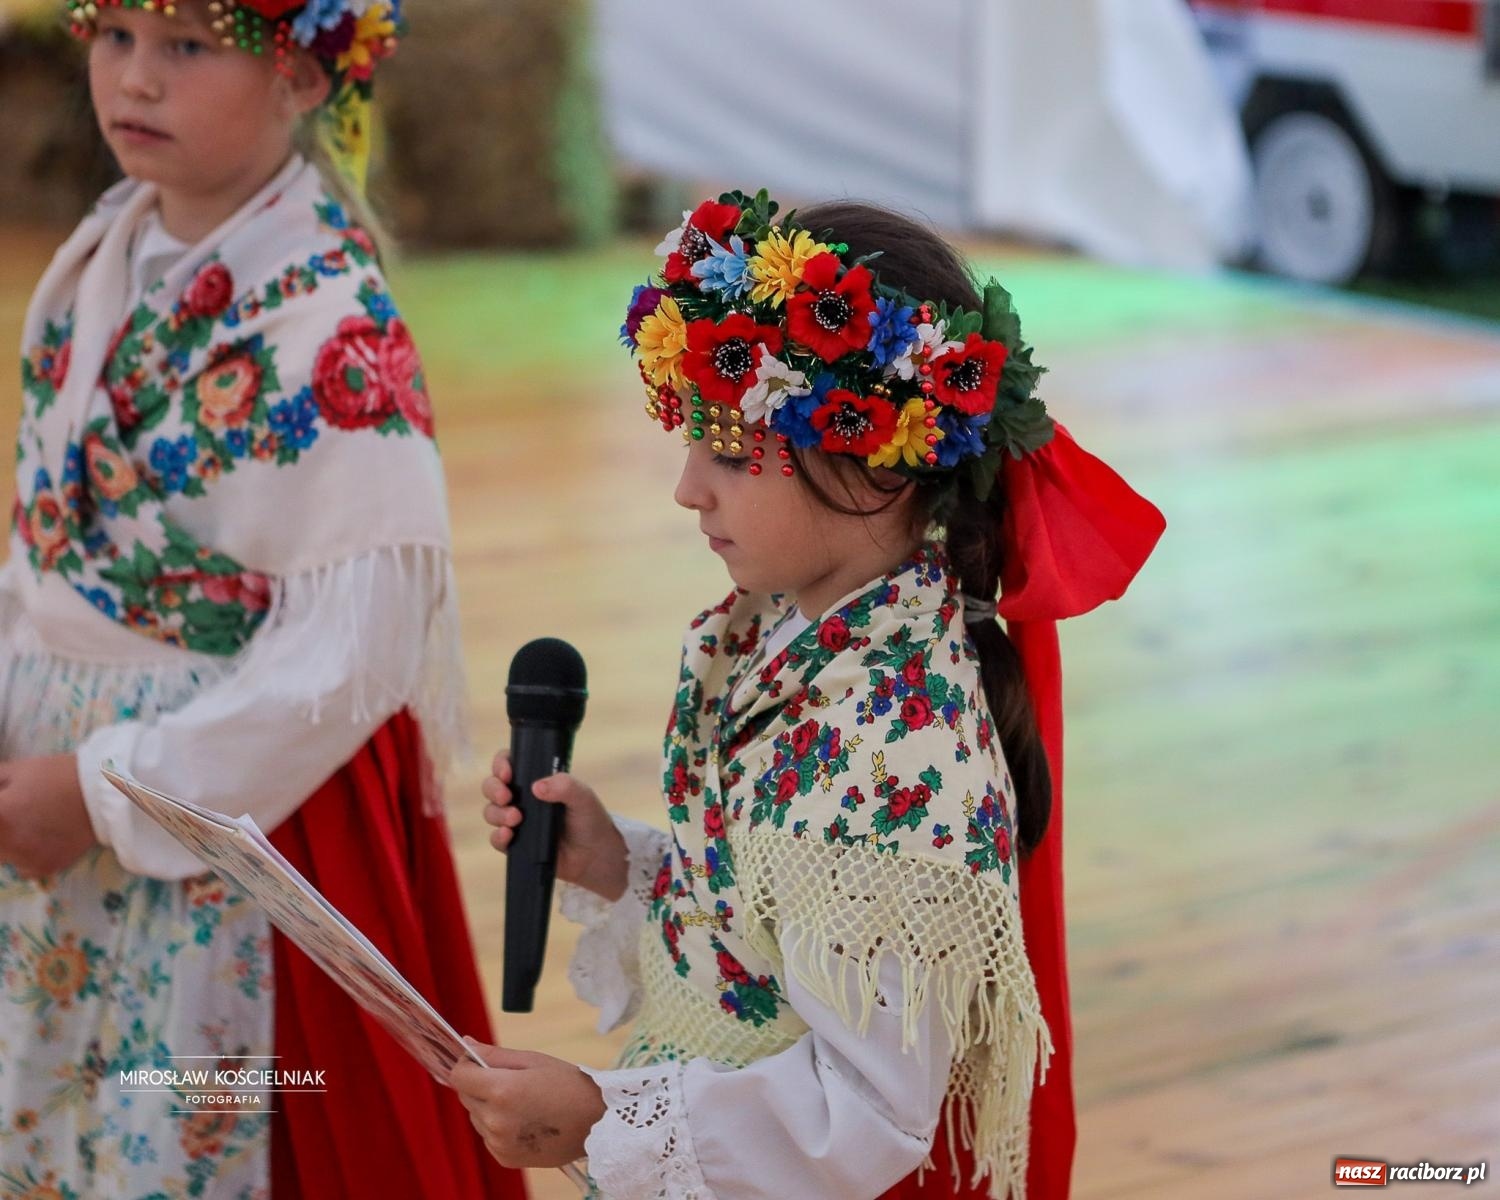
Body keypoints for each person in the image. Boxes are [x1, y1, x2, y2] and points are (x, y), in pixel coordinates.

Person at [451, 191, 1165, 1199]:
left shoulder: (900, 743)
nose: (688, 488)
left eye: (733, 455)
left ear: (877, 468)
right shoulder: (784, 635)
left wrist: (606, 1115)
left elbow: (868, 1109)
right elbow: (766, 935)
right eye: (691, 445)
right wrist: (625, 865)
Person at [0, 1, 526, 1195]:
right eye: (113, 33)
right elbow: (52, 538)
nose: (135, 80)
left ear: (302, 76)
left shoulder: (330, 324)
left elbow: (356, 649)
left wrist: (101, 790)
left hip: (231, 811)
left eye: (188, 47)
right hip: (63, 801)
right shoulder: (105, 252)